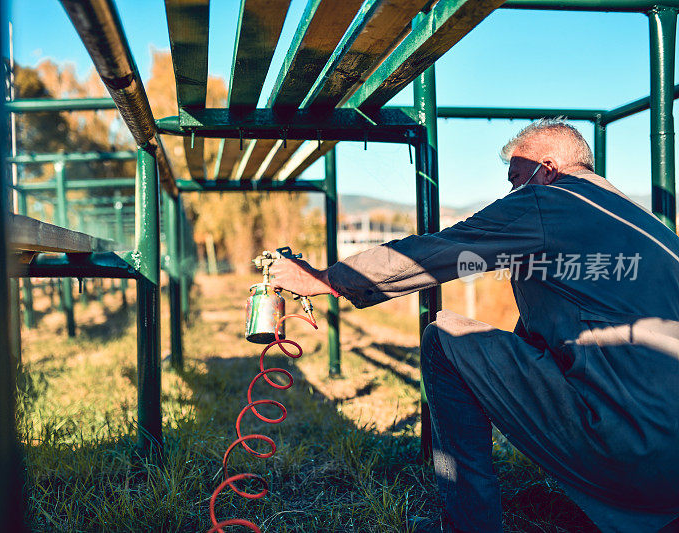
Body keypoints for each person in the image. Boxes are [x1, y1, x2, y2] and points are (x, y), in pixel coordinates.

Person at [270, 119, 679, 533]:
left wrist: (325, 279)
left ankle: (470, 524)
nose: (512, 194)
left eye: (517, 180)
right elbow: (560, 320)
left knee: (444, 339)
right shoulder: (643, 225)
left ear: (549, 169)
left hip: (632, 450)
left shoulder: (548, 201)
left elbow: (436, 252)